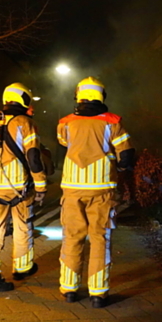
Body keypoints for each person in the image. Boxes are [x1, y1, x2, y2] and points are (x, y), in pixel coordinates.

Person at [56, 77, 134, 308]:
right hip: (102, 190)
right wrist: (119, 168)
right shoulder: (112, 123)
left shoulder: (66, 123)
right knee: (100, 239)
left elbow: (63, 142)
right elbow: (126, 154)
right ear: (102, 96)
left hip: (72, 189)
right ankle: (98, 294)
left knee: (72, 237)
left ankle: (69, 289)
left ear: (78, 96)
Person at [0, 83, 48, 294]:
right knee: (23, 227)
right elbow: (33, 156)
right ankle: (22, 267)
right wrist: (41, 185)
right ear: (23, 99)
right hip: (19, 188)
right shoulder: (26, 123)